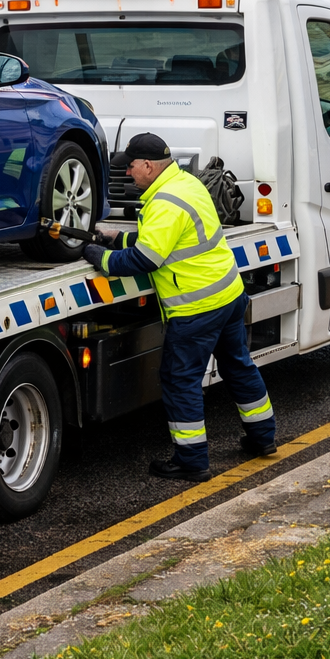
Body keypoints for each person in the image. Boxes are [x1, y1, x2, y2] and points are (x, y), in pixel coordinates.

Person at [81, 133, 277, 482]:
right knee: (238, 366)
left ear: (147, 165)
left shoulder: (164, 203)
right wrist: (118, 237)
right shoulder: (186, 184)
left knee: (180, 380)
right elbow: (167, 240)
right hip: (228, 296)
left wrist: (103, 258)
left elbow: (146, 258)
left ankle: (191, 460)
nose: (128, 174)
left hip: (196, 307)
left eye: (130, 167)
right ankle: (264, 437)